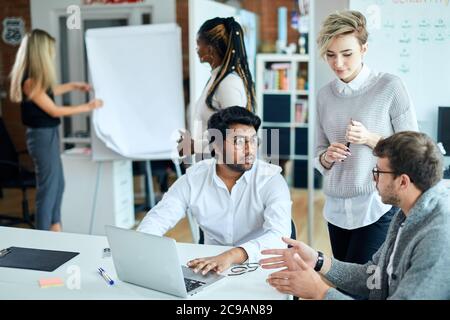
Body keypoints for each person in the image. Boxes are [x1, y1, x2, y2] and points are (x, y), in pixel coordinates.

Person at [261, 131, 450, 300]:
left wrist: (321, 292)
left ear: (403, 182)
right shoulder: (405, 215)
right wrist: (318, 261)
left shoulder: (438, 237)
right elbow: (373, 276)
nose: (373, 178)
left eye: (378, 172)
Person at [314, 11, 418, 264]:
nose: (338, 63)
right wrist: (326, 157)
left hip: (378, 205)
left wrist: (371, 138)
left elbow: (414, 149)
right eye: (330, 55)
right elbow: (318, 152)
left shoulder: (390, 86)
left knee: (362, 286)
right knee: (345, 281)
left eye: (347, 54)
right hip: (336, 208)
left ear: (364, 48)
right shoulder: (324, 95)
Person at [138, 107, 291, 275]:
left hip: (259, 267)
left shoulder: (271, 179)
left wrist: (232, 255)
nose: (250, 149)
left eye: (253, 140)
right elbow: (159, 218)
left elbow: (279, 236)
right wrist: (141, 247)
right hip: (209, 267)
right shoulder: (195, 178)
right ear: (216, 146)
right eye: (239, 142)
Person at [9, 29, 103, 231]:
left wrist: (73, 86)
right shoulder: (30, 82)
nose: (52, 55)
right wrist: (88, 107)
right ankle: (44, 236)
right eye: (50, 51)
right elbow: (54, 110)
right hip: (41, 137)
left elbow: (50, 92)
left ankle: (55, 227)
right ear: (40, 53)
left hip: (49, 135)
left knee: (58, 184)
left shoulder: (35, 81)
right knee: (48, 188)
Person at [178, 16, 256, 161]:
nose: (196, 49)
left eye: (198, 43)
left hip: (223, 172)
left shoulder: (228, 84)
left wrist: (195, 147)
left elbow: (235, 136)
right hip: (209, 168)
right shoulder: (216, 79)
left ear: (210, 49)